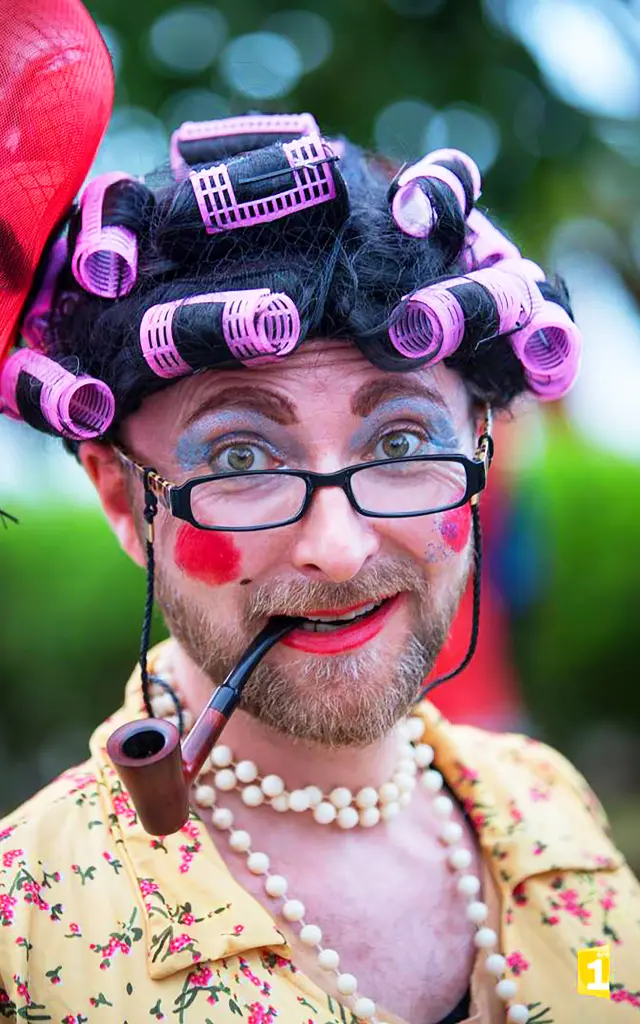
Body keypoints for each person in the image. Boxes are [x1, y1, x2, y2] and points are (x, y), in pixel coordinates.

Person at [1, 92, 640, 1024]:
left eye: (400, 442)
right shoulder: (28, 936)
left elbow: (604, 992)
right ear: (120, 497)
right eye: (240, 459)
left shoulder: (557, 819)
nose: (338, 553)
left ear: (481, 448)